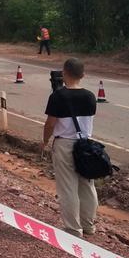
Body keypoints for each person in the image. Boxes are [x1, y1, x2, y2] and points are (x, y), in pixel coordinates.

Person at [41, 58, 98, 237]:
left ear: (64, 72)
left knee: (68, 187)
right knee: (87, 186)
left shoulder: (57, 96)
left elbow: (50, 124)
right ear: (83, 75)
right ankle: (89, 225)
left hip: (65, 144)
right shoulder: (90, 96)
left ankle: (73, 229)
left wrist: (44, 141)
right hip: (86, 145)